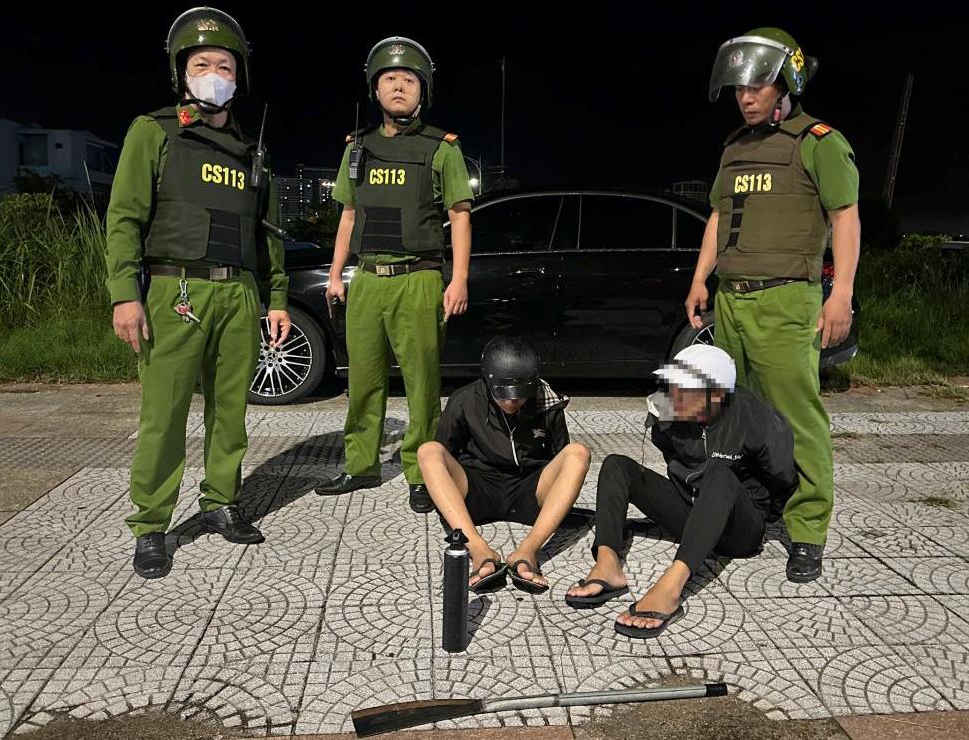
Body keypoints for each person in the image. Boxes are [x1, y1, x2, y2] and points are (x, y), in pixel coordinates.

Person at [106, 7, 290, 579]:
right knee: (163, 413)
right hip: (175, 289)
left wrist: (277, 298)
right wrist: (124, 293)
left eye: (224, 66)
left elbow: (268, 235)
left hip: (239, 294)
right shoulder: (155, 131)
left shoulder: (252, 152)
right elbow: (124, 217)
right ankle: (151, 524)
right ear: (181, 72)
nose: (214, 74)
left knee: (230, 411)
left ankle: (221, 502)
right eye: (202, 64)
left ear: (239, 77)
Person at [685, 27, 860, 582]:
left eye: (757, 86)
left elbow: (846, 218)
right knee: (738, 414)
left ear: (786, 84)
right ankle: (754, 507)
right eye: (739, 88)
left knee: (796, 416)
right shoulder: (735, 147)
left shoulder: (819, 142)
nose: (746, 97)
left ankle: (807, 530)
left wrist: (841, 294)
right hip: (732, 303)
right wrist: (700, 279)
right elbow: (718, 218)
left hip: (786, 301)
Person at [314, 37, 474, 514]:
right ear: (375, 89)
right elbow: (347, 216)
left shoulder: (441, 148)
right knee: (363, 379)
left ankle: (422, 473)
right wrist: (336, 274)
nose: (399, 86)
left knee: (422, 384)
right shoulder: (357, 148)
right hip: (366, 279)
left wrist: (458, 279)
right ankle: (360, 464)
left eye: (408, 79)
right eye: (389, 79)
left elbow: (460, 216)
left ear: (423, 91)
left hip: (418, 279)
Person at [565, 345, 796, 638]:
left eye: (684, 389)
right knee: (616, 465)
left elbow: (783, 477)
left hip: (739, 529)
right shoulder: (667, 408)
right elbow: (668, 450)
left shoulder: (756, 418)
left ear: (717, 395)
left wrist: (763, 518)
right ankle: (607, 565)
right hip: (690, 512)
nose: (673, 395)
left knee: (720, 475)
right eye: (673, 385)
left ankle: (670, 588)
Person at [418, 337, 590, 593]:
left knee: (578, 452)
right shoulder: (464, 400)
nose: (511, 402)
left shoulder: (547, 401)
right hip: (478, 486)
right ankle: (479, 551)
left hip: (528, 488)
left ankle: (527, 552)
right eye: (503, 396)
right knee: (428, 451)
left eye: (519, 396)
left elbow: (560, 456)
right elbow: (445, 453)